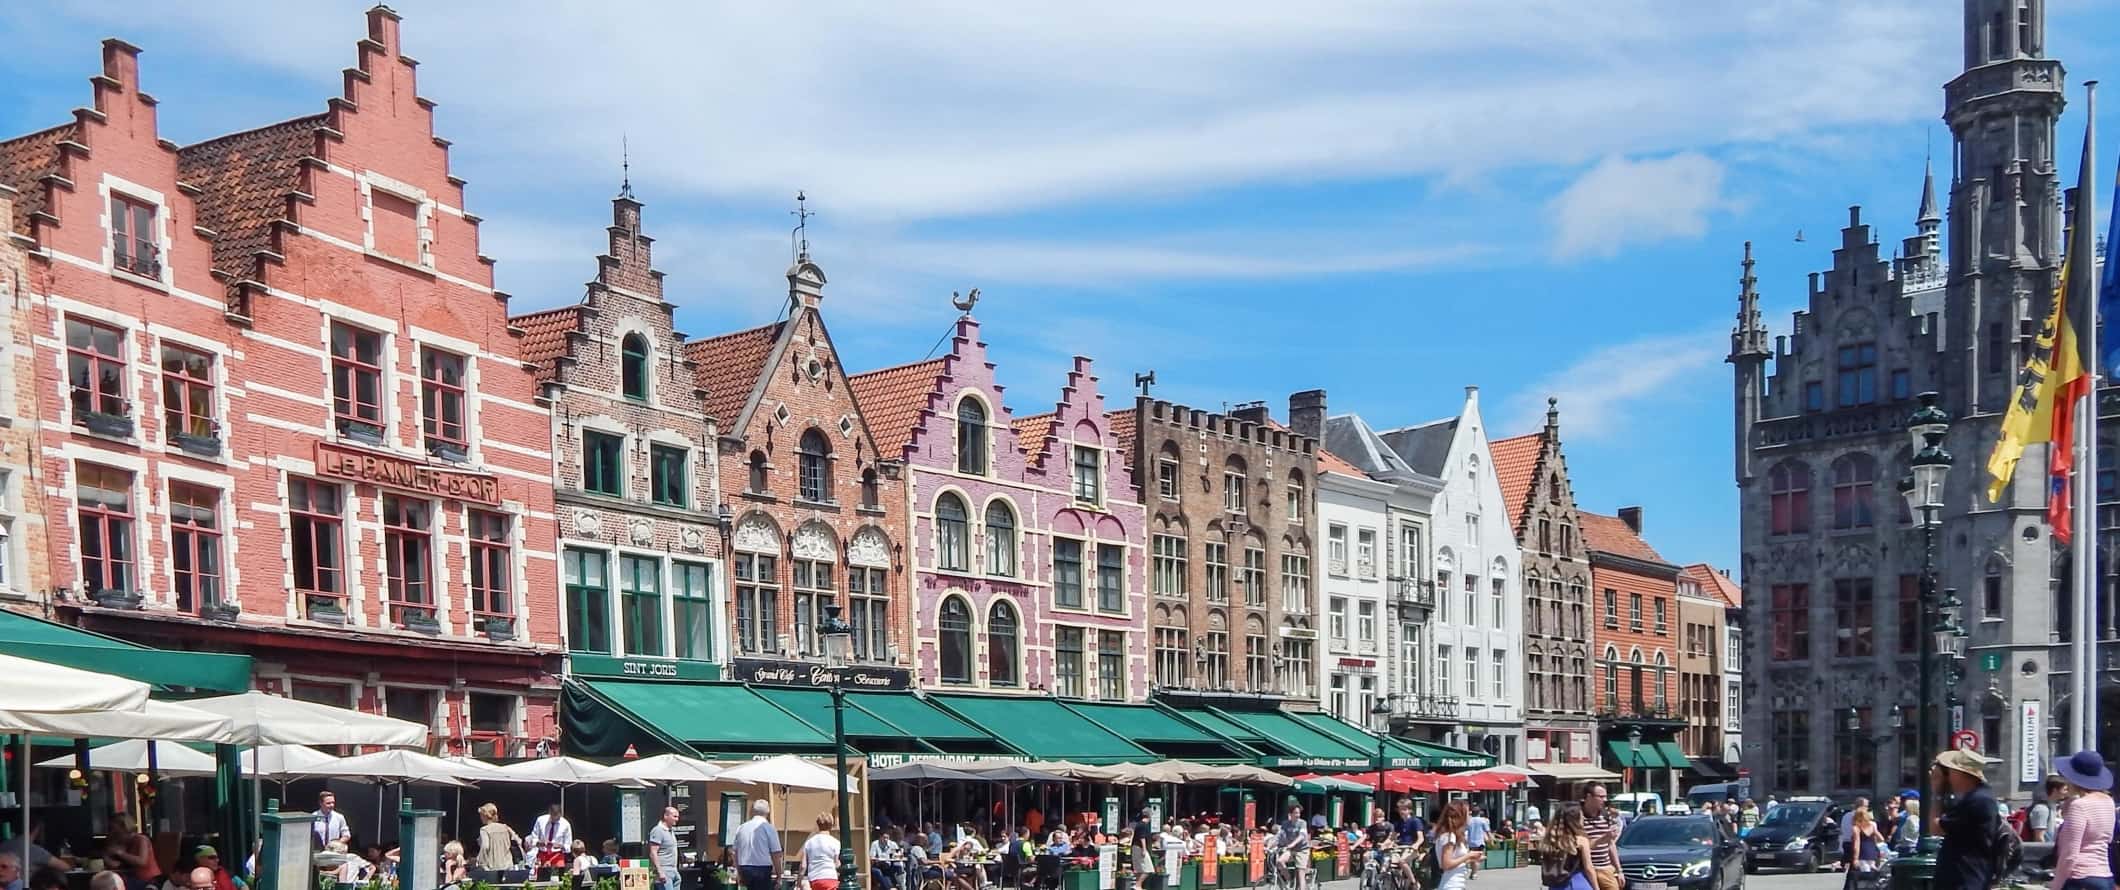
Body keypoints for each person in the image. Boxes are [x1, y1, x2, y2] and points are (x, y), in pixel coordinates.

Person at [1931, 749, 2003, 890]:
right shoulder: (1978, 797)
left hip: (1966, 880)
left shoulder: (1977, 801)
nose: (1947, 775)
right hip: (1966, 879)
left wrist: (1936, 792)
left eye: (1949, 770)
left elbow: (1935, 828)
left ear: (1959, 774)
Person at [2049, 750, 2115, 890]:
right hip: (2104, 876)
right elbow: (2107, 839)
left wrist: (2056, 885)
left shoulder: (2079, 806)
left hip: (2080, 879)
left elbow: (2069, 854)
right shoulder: (2108, 802)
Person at [1533, 808, 1595, 890]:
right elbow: (1589, 869)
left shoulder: (1549, 841)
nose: (1583, 819)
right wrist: (1596, 887)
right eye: (1581, 816)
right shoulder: (1581, 840)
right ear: (1575, 820)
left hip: (1556, 885)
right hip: (1577, 882)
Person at [1431, 801, 1484, 890]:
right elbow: (1446, 864)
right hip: (1452, 885)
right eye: (1467, 813)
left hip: (1456, 884)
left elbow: (1455, 862)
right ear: (1460, 816)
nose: (1470, 816)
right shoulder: (1449, 836)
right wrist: (1469, 855)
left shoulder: (1451, 835)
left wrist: (1471, 859)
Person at [732, 800, 783, 890]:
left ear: (753, 811)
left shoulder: (741, 827)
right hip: (762, 869)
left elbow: (734, 852)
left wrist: (739, 872)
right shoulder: (769, 828)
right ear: (768, 812)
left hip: (745, 867)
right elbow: (776, 854)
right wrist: (779, 876)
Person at [1580, 786, 1620, 890]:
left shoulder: (1605, 816)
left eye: (1605, 796)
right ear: (1589, 797)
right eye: (1601, 797)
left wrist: (1619, 870)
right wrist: (1603, 838)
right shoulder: (1578, 816)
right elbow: (1581, 846)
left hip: (1605, 869)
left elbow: (1611, 844)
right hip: (1584, 869)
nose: (1605, 800)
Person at [105, 814, 160, 890]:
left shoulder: (141, 839)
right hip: (134, 879)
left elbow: (142, 861)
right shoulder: (125, 844)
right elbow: (116, 865)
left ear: (125, 829)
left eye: (116, 833)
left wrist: (120, 853)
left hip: (149, 880)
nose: (114, 835)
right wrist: (107, 856)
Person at [1272, 803, 1312, 890]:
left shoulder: (1302, 823)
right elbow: (1279, 836)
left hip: (1302, 850)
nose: (1298, 815)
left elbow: (1302, 835)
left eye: (1299, 813)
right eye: (1295, 813)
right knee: (1279, 861)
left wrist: (1292, 844)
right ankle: (1289, 879)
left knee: (1301, 873)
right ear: (1290, 814)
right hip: (1291, 849)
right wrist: (1269, 846)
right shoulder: (1285, 824)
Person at [476, 803, 522, 877]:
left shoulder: (484, 830)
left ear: (485, 815)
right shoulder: (505, 827)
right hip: (508, 865)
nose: (480, 818)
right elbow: (518, 841)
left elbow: (485, 847)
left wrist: (481, 863)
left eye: (481, 815)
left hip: (493, 866)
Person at [801, 814, 843, 890]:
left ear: (818, 825)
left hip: (814, 879)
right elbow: (837, 864)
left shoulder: (809, 843)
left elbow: (803, 866)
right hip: (831, 877)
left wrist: (798, 882)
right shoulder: (836, 842)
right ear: (831, 825)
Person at [647, 807, 683, 890]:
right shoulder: (658, 830)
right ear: (666, 816)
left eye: (677, 817)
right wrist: (660, 871)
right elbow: (653, 852)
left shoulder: (670, 831)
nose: (677, 819)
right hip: (664, 870)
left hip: (673, 869)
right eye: (674, 816)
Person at [530, 803, 575, 871]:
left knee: (559, 877)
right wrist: (539, 843)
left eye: (557, 817)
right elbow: (533, 838)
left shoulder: (566, 824)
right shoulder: (540, 820)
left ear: (561, 814)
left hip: (558, 855)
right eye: (553, 817)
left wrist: (561, 846)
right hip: (542, 854)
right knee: (541, 877)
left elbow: (569, 846)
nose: (555, 819)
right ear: (549, 813)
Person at [1845, 807, 1884, 880]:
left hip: (1862, 854)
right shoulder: (1872, 826)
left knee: (1865, 875)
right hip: (1873, 853)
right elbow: (1881, 838)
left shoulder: (1856, 828)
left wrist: (1855, 858)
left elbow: (1857, 844)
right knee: (1872, 872)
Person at [2030, 777, 2068, 842]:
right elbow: (2039, 837)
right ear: (2055, 790)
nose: (2066, 792)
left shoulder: (2053, 807)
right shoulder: (2042, 809)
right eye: (2064, 789)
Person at [1464, 806, 1491, 876]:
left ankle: (1473, 871)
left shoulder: (1469, 820)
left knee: (1473, 857)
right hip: (1480, 842)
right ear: (1479, 812)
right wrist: (1491, 839)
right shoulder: (1483, 820)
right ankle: (1474, 873)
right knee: (1478, 858)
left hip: (1471, 842)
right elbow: (1488, 831)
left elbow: (1464, 830)